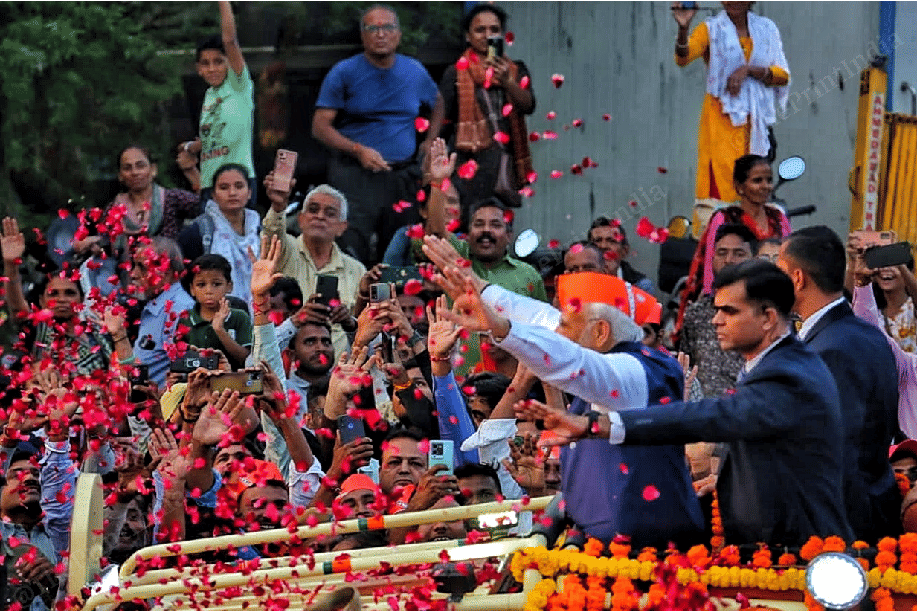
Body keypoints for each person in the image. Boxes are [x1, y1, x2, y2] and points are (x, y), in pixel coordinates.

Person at [507, 260, 852, 547]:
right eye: (716, 309)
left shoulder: (789, 371)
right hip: (765, 541)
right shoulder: (768, 365)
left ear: (768, 318)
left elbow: (717, 416)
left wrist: (597, 425)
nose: (716, 320)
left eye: (729, 311)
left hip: (800, 546)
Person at [425, 249, 704, 547]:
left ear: (600, 332)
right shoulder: (602, 346)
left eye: (565, 326)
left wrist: (502, 328)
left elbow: (572, 361)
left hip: (650, 557)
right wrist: (482, 289)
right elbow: (541, 318)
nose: (556, 332)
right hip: (597, 548)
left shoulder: (638, 372)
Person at [776, 227, 900, 541]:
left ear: (797, 279)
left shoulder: (831, 349)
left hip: (844, 526)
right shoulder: (864, 334)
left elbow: (837, 451)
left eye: (778, 273)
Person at [312, 4, 443, 264]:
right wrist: (357, 150)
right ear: (363, 35)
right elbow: (320, 127)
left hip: (402, 175)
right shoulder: (344, 72)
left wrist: (429, 140)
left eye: (388, 27)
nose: (381, 34)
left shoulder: (414, 71)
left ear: (399, 34)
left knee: (401, 249)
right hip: (355, 175)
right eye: (373, 28)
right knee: (351, 248)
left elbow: (437, 102)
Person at [673, 1, 789, 214]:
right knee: (722, 189)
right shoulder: (710, 29)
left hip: (755, 125)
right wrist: (683, 28)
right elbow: (683, 58)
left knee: (755, 184)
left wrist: (749, 70)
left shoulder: (766, 29)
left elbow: (782, 76)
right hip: (721, 121)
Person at [432, 3, 535, 217]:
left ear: (502, 34)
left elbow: (528, 105)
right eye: (480, 30)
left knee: (498, 225)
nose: (487, 35)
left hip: (503, 168)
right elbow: (443, 123)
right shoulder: (455, 73)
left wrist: (508, 82)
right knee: (468, 223)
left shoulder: (516, 70)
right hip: (467, 168)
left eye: (494, 30)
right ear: (468, 36)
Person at [678, 154, 791, 337]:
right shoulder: (724, 218)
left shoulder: (778, 218)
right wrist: (715, 300)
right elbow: (710, 264)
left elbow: (788, 259)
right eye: (757, 180)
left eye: (769, 180)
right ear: (739, 187)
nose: (765, 186)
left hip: (773, 298)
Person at [261, 181, 365, 358]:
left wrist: (347, 321)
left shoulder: (357, 270)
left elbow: (364, 330)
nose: (320, 216)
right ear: (300, 219)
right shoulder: (285, 250)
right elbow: (273, 232)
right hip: (285, 364)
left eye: (330, 213)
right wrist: (278, 207)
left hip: (341, 368)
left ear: (342, 227)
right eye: (313, 210)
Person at [1, 218, 114, 378]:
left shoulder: (98, 333)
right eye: (53, 293)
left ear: (82, 300)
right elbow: (17, 309)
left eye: (70, 293)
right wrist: (11, 265)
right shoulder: (40, 332)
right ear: (41, 301)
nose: (61, 299)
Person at [177, 1, 256, 203]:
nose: (212, 68)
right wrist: (191, 147)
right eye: (205, 63)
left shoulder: (238, 85)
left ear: (229, 62)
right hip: (209, 184)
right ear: (198, 69)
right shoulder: (209, 95)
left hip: (237, 183)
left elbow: (230, 41)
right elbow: (215, 138)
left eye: (219, 61)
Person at [76, 145, 200, 264]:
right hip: (129, 275)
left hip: (167, 273)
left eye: (140, 166)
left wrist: (191, 171)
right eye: (127, 168)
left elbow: (207, 206)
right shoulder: (114, 209)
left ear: (153, 170)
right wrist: (93, 244)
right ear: (120, 176)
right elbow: (107, 244)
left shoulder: (172, 198)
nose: (134, 172)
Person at [108, 237, 195, 390]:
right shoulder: (157, 304)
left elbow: (182, 376)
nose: (133, 275)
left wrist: (119, 336)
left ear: (166, 272)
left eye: (142, 267)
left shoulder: (179, 309)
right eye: (134, 266)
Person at [679, 223, 756, 397]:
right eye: (722, 253)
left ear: (754, 259)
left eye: (739, 254)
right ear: (712, 259)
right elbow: (686, 367)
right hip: (705, 409)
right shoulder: (696, 313)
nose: (729, 260)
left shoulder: (764, 314)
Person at [177, 163, 261, 306]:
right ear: (213, 195)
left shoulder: (260, 229)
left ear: (249, 193)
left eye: (239, 186)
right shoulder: (199, 231)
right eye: (224, 187)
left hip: (259, 311)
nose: (232, 193)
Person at [178, 254, 253, 371]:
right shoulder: (186, 319)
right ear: (192, 289)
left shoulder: (239, 317)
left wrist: (220, 330)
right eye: (201, 285)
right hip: (197, 380)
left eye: (217, 284)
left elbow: (247, 360)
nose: (209, 291)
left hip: (233, 380)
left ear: (229, 286)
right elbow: (179, 362)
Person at [588, 218, 654, 293]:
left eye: (612, 241)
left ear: (624, 251)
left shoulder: (641, 285)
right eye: (597, 241)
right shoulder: (580, 279)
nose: (603, 246)